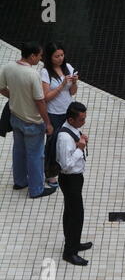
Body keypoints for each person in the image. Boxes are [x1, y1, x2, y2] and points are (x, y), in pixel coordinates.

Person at [0, 41, 56, 198]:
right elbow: (40, 101)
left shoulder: (8, 67)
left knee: (18, 151)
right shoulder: (32, 75)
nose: (40, 58)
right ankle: (36, 189)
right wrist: (48, 123)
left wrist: (14, 97)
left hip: (15, 117)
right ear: (32, 56)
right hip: (32, 122)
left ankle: (20, 181)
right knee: (35, 155)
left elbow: (1, 87)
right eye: (39, 55)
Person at [57, 102, 92, 266]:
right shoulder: (64, 138)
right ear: (71, 119)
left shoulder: (72, 129)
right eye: (81, 119)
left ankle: (74, 243)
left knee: (72, 213)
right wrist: (80, 148)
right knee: (75, 216)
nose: (84, 122)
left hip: (76, 178)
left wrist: (81, 139)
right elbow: (66, 164)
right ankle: (69, 252)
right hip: (70, 179)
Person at [42, 42, 79, 188]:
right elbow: (46, 97)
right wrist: (62, 85)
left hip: (68, 112)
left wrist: (74, 83)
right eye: (56, 56)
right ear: (49, 57)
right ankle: (50, 173)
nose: (60, 58)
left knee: (68, 141)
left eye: (62, 55)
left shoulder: (68, 67)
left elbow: (73, 92)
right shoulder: (45, 72)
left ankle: (64, 168)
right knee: (53, 144)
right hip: (54, 113)